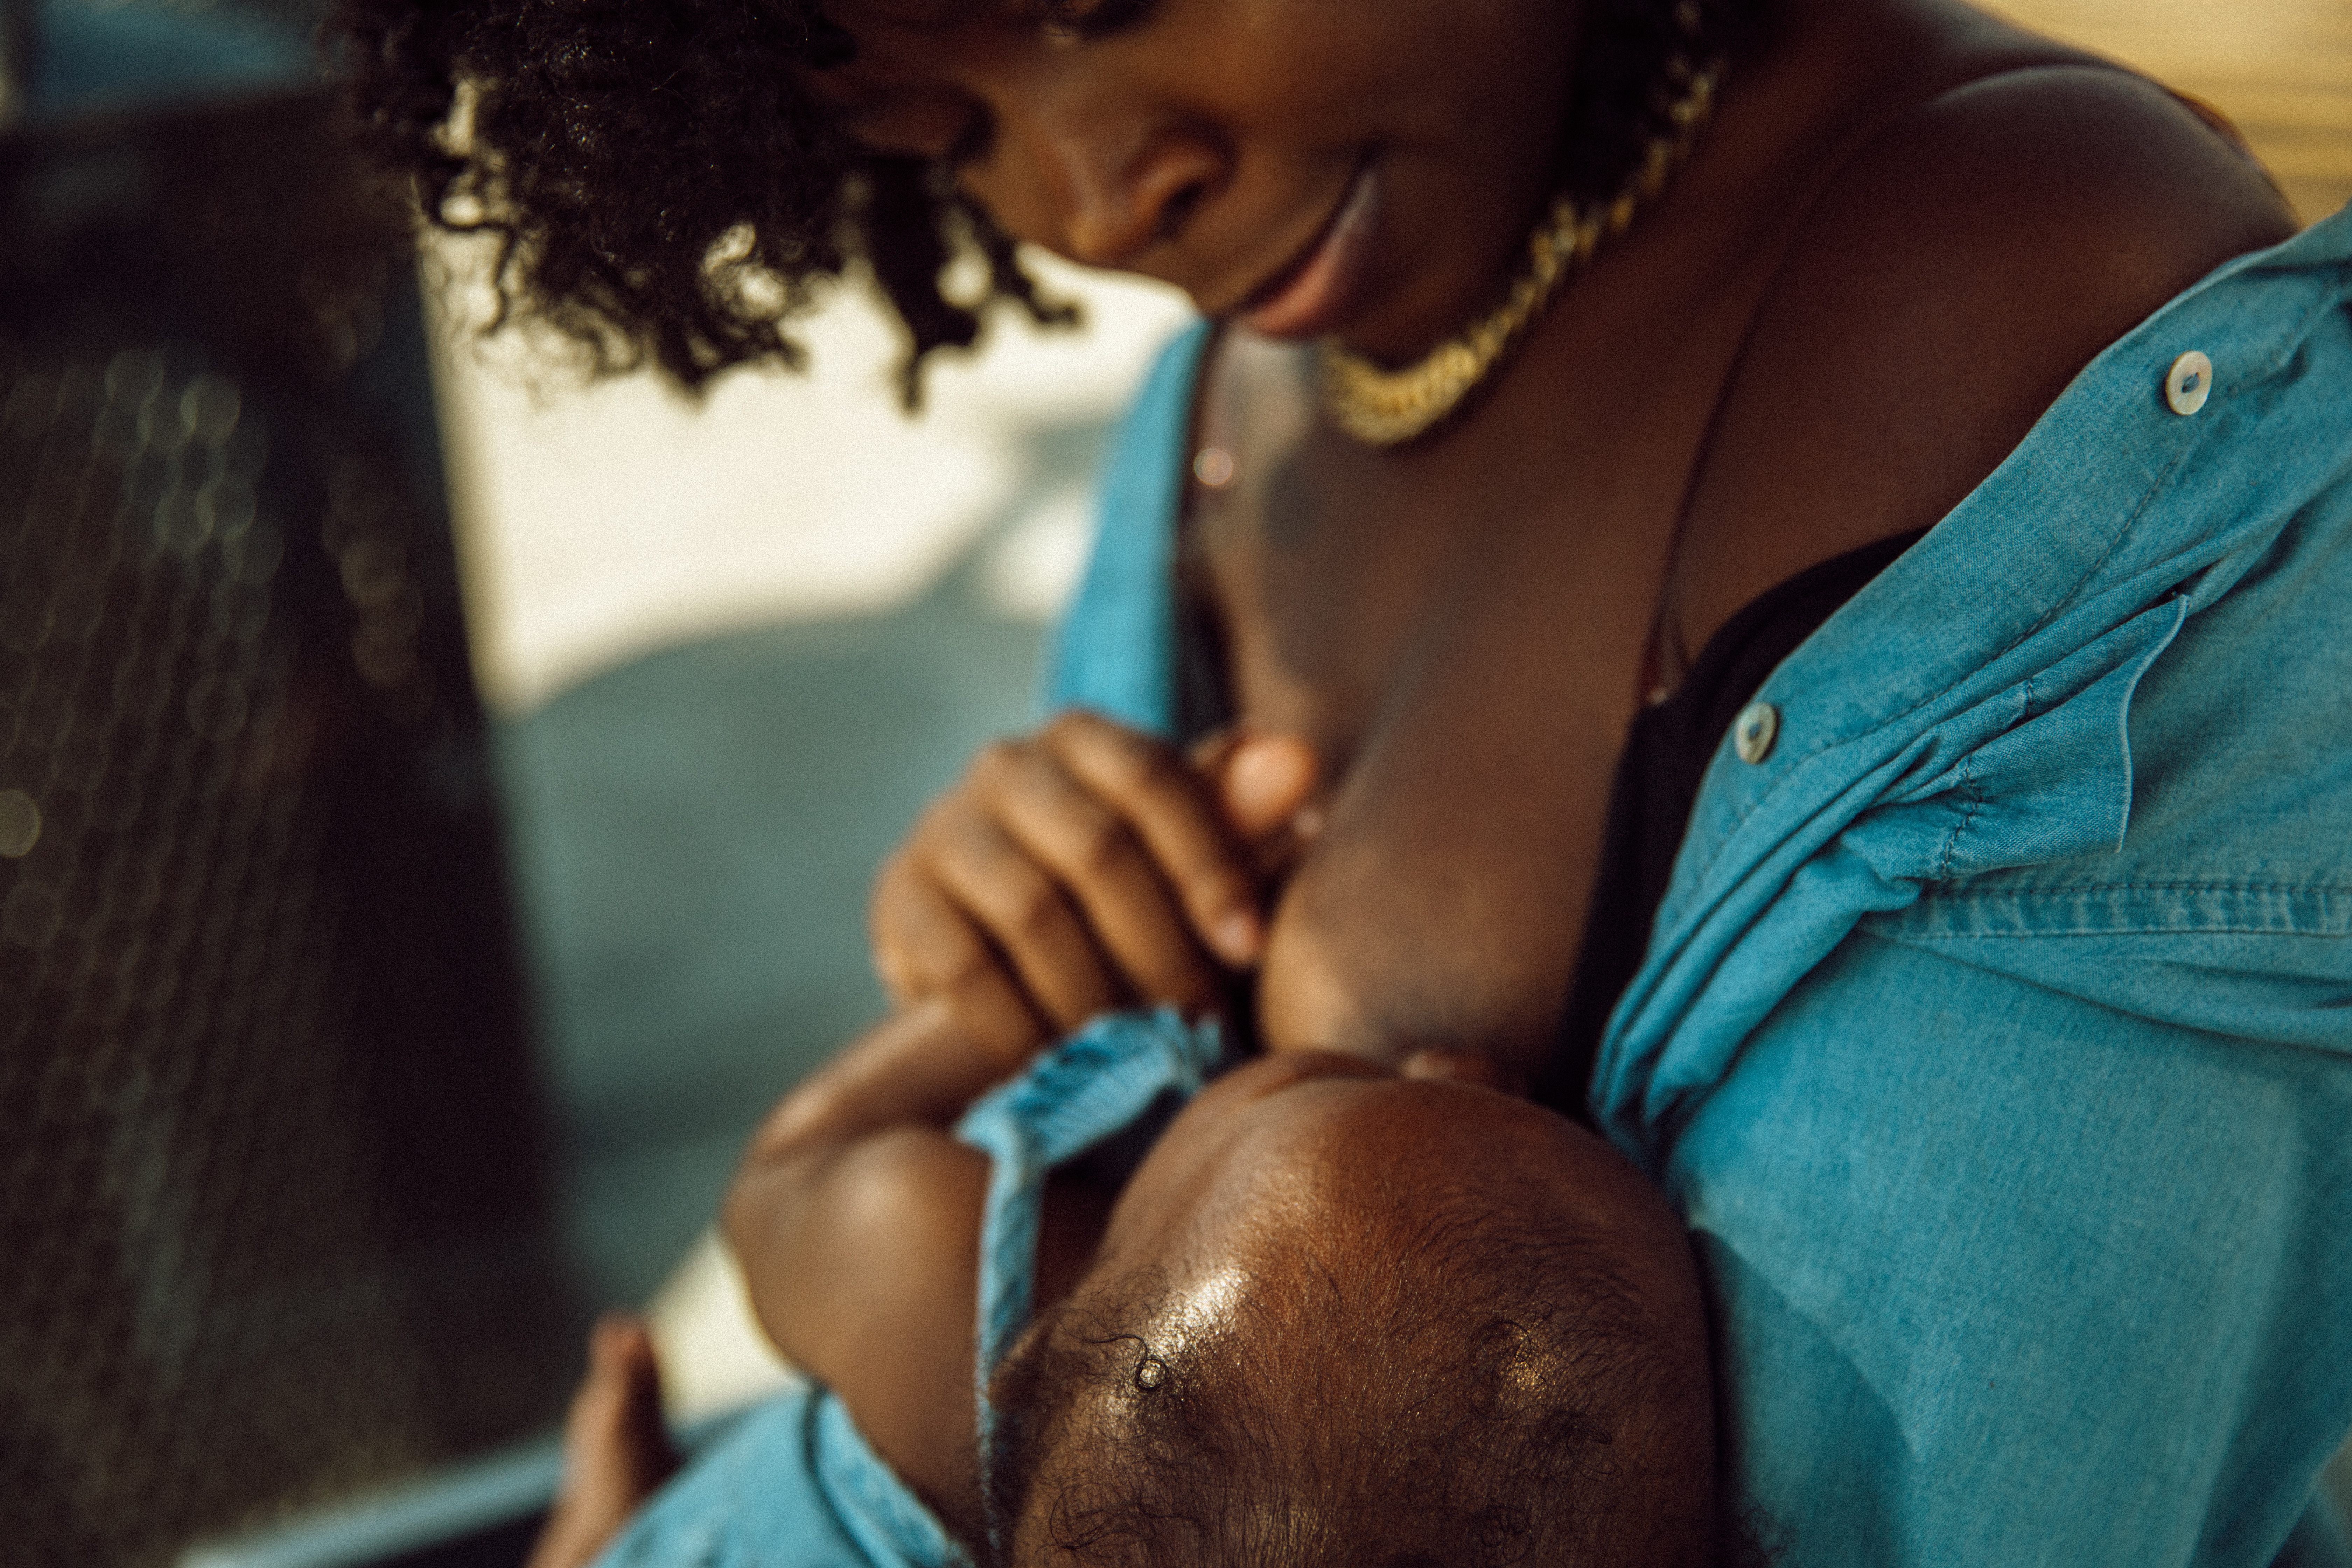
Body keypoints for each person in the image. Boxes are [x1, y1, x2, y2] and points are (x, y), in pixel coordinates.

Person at [336, 0, 2352, 1559]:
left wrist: (829, 1453)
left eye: (1096, 0)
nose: (1098, 199)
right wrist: (1005, 962)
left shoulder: (2013, 284)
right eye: (948, 133)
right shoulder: (1218, 409)